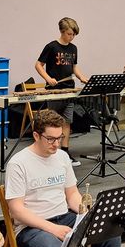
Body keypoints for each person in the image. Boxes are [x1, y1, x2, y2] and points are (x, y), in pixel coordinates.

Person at [5, 109, 125, 247]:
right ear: (36, 135)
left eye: (59, 138)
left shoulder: (61, 157)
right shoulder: (18, 163)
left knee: (111, 234)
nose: (56, 144)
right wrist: (53, 228)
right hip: (31, 227)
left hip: (64, 217)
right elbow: (16, 210)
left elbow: (72, 195)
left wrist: (87, 215)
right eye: (50, 139)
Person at [35, 17, 89, 167]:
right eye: (70, 34)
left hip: (69, 89)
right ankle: (51, 153)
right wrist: (48, 78)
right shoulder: (51, 47)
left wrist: (81, 77)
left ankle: (65, 153)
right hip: (54, 90)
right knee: (53, 123)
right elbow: (38, 65)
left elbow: (74, 68)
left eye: (74, 35)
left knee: (67, 122)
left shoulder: (73, 48)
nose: (72, 37)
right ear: (62, 31)